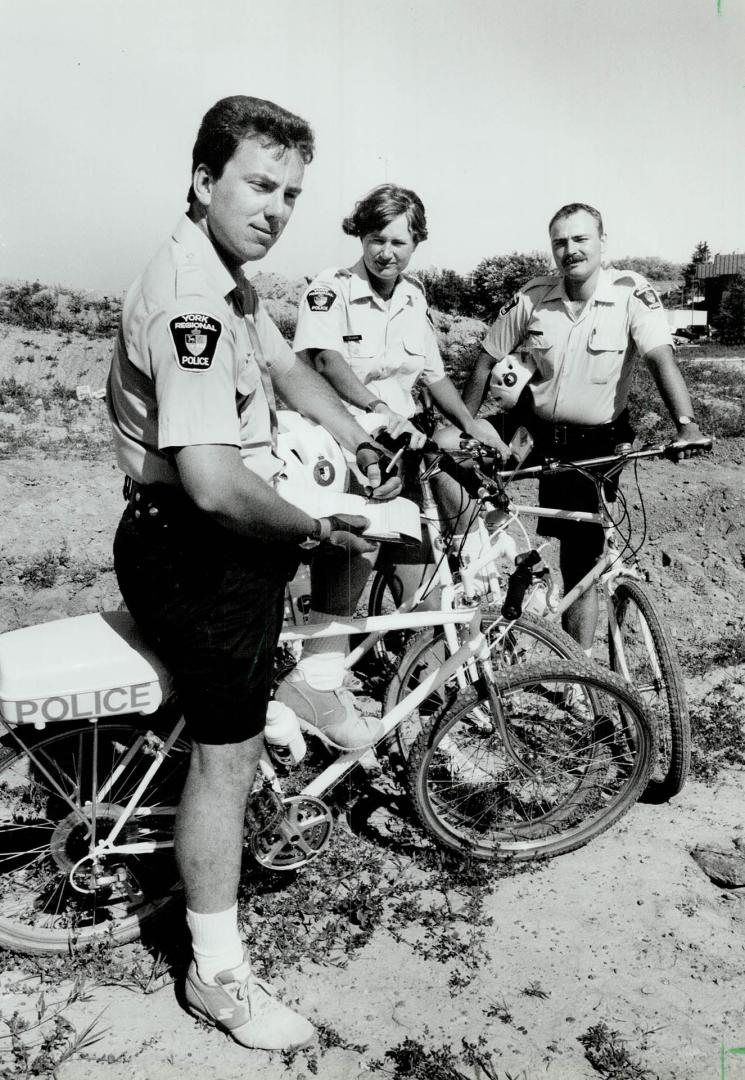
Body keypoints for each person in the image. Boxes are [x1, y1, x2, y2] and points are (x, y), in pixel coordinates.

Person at [107, 95, 400, 1052]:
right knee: (224, 759)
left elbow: (283, 366)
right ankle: (216, 974)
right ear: (203, 181)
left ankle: (293, 692)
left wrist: (361, 434)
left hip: (213, 542)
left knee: (255, 698)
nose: (276, 208)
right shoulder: (193, 294)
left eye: (291, 192)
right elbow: (216, 482)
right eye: (257, 185)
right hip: (193, 546)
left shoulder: (227, 277)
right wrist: (319, 531)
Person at [275, 184, 507, 731]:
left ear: (416, 243)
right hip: (341, 446)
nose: (387, 251)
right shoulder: (330, 290)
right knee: (345, 562)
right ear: (361, 234)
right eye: (377, 238)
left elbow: (432, 374)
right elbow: (327, 363)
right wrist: (378, 409)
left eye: (400, 241)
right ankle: (315, 686)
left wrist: (471, 423)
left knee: (421, 571)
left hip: (398, 452)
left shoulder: (414, 298)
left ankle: (423, 695)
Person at [463, 202, 706, 653]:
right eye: (560, 241)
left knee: (582, 559)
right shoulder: (533, 297)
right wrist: (464, 426)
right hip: (532, 434)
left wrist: (686, 424)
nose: (570, 250)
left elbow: (659, 357)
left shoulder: (632, 293)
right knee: (471, 493)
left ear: (601, 243)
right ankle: (486, 596)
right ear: (552, 248)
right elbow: (485, 360)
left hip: (594, 444)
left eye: (580, 239)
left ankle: (580, 667)